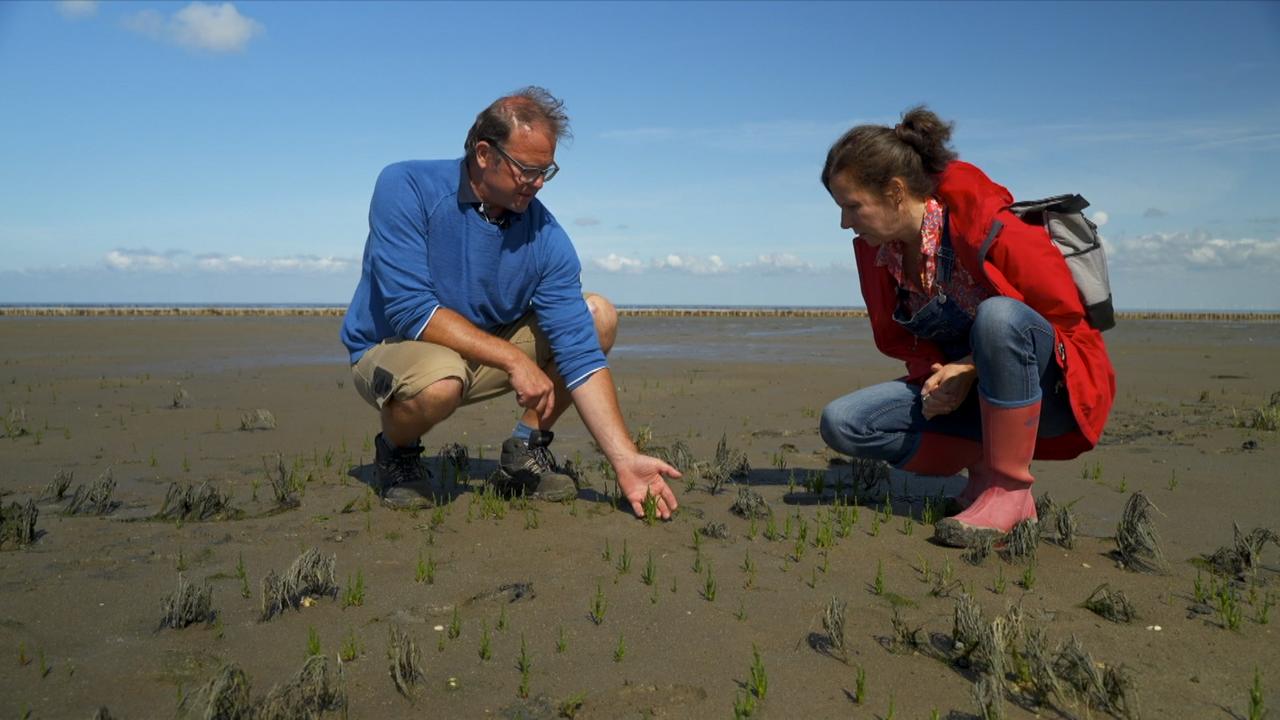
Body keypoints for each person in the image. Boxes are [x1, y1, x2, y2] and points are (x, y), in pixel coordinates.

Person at [340, 87, 680, 519]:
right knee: (441, 380)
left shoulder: (546, 237)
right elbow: (411, 310)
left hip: (478, 353)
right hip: (392, 346)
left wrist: (625, 459)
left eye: (547, 171)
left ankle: (524, 451)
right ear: (485, 153)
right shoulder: (406, 186)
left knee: (597, 315)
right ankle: (397, 452)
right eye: (527, 169)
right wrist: (514, 361)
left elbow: (580, 354)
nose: (537, 183)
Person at [817, 106, 1115, 548]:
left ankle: (1010, 491)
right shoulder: (886, 260)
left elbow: (1065, 324)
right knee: (843, 423)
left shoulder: (995, 229)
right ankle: (983, 471)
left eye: (852, 206)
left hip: (1051, 394)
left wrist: (971, 367)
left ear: (896, 192)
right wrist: (944, 375)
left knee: (999, 316)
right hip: (969, 399)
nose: (845, 222)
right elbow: (910, 343)